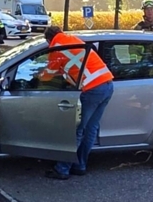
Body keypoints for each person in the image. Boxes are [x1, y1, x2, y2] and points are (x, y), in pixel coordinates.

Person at [40, 25, 115, 180]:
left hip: (92, 88)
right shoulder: (72, 39)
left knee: (77, 130)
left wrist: (36, 76)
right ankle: (80, 165)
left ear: (48, 39)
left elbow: (48, 75)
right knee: (90, 128)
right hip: (107, 83)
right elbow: (75, 63)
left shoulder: (55, 46)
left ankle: (62, 169)